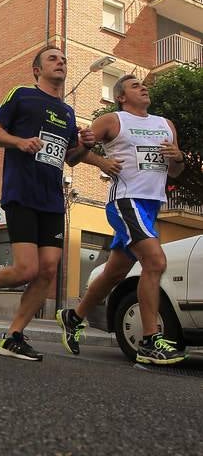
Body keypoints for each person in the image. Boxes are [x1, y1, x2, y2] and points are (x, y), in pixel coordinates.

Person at [0, 46, 95, 361]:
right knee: (27, 268)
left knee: (47, 270)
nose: (60, 62)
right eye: (52, 58)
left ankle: (13, 335)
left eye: (63, 59)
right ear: (36, 69)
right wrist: (19, 141)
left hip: (52, 198)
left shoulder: (67, 112)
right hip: (22, 191)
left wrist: (83, 146)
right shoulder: (21, 94)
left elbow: (70, 159)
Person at [57, 75, 187, 365]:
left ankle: (73, 316)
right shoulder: (112, 120)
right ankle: (150, 341)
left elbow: (175, 172)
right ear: (121, 97)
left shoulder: (165, 124)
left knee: (115, 273)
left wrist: (178, 157)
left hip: (151, 206)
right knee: (155, 263)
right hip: (126, 202)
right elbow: (74, 155)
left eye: (144, 86)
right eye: (135, 86)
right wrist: (102, 161)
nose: (144, 88)